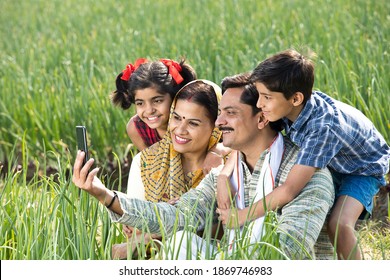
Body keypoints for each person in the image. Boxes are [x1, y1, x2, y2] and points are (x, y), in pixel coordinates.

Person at [73, 73, 335, 260]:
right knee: (180, 241)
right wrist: (105, 195)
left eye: (230, 113)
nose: (219, 122)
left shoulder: (306, 175)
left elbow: (287, 250)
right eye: (219, 112)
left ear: (262, 118)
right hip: (233, 261)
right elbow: (176, 217)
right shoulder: (230, 171)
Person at [229, 49, 390, 260]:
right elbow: (246, 138)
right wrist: (225, 173)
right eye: (259, 95)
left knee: (339, 224)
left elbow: (289, 190)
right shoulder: (284, 107)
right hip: (335, 156)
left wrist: (243, 215)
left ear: (296, 98)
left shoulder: (322, 128)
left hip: (362, 167)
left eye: (266, 97)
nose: (259, 104)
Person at [75, 80, 224, 259]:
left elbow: (223, 232)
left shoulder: (226, 165)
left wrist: (152, 233)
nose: (180, 130)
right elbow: (134, 232)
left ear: (216, 126)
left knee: (181, 241)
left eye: (193, 123)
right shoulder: (147, 162)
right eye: (176, 118)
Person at [110, 58, 197, 151]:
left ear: (175, 96)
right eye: (140, 103)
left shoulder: (193, 123)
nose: (149, 110)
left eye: (157, 101)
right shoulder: (136, 129)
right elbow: (151, 164)